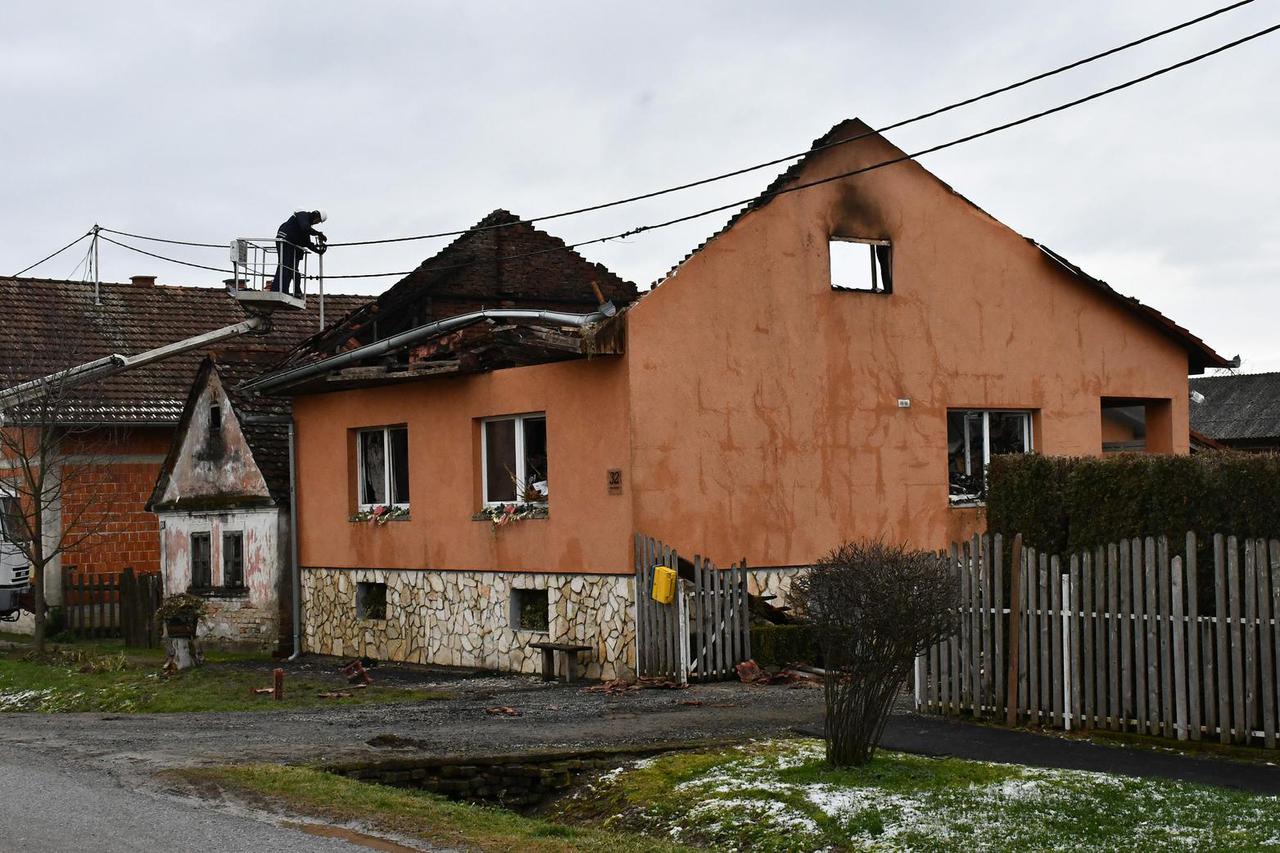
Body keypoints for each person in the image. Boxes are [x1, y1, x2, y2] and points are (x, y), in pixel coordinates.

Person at [270, 210, 327, 295]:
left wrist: (318, 251)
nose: (316, 223)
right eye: (318, 221)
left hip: (289, 244)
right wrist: (318, 233)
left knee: (292, 269)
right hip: (283, 240)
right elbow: (305, 227)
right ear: (316, 216)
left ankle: (285, 290)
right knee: (284, 265)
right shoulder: (302, 215)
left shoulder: (306, 224)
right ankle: (276, 290)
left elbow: (307, 243)